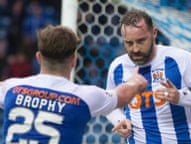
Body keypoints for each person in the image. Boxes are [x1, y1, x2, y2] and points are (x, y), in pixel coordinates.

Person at [0, 25, 148, 144]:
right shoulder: (85, 97)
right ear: (74, 60)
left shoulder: (10, 88)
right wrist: (136, 82)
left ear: (38, 57)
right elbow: (122, 95)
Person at [106, 9, 191, 144]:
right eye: (129, 43)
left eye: (141, 41)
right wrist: (120, 121)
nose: (136, 49)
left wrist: (181, 97)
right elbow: (111, 104)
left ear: (154, 33)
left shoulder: (181, 59)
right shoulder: (117, 67)